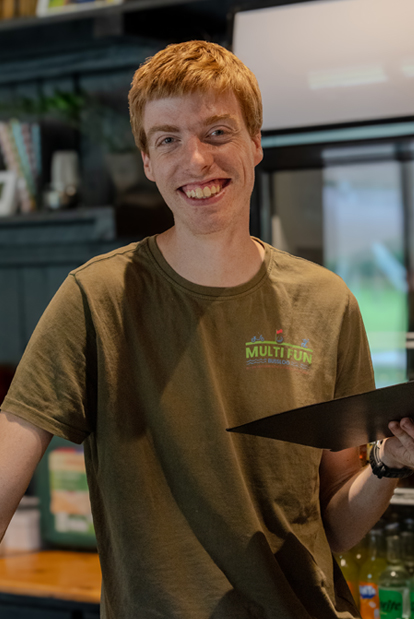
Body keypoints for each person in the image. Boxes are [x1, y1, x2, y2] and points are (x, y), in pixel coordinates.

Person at [1, 40, 414, 619]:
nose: (196, 160)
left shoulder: (326, 302)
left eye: (217, 132)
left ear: (255, 142)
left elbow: (335, 529)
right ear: (148, 161)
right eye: (168, 139)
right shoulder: (97, 298)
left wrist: (389, 462)